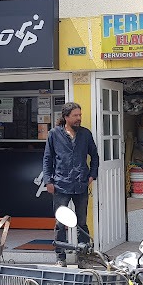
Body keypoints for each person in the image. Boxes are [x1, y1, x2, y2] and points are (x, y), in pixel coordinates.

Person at [43, 102, 99, 267]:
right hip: (61, 184)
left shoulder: (85, 134)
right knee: (60, 224)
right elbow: (47, 159)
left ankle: (84, 258)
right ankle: (61, 258)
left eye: (80, 115)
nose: (78, 118)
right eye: (75, 115)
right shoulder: (54, 134)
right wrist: (48, 181)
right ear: (66, 117)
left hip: (81, 184)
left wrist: (92, 175)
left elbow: (94, 156)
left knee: (81, 223)